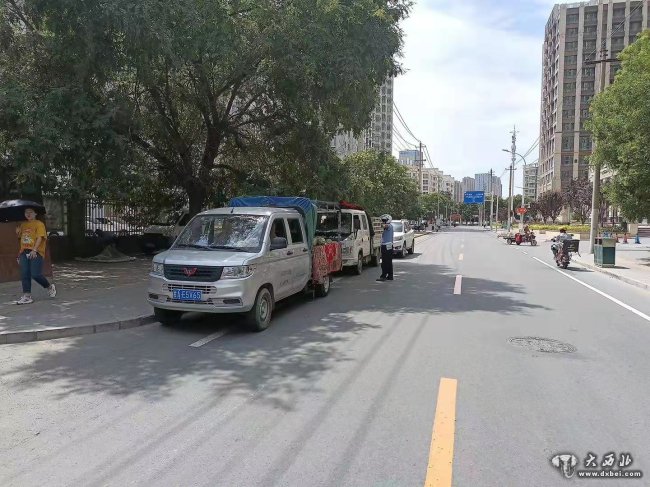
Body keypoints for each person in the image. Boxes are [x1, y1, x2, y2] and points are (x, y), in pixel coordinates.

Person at [15, 207, 56, 305]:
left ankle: (49, 287)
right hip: (24, 251)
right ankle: (27, 296)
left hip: (36, 251)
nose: (28, 214)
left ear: (35, 213)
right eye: (26, 212)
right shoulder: (23, 225)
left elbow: (40, 238)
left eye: (30, 212)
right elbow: (22, 239)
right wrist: (18, 232)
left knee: (35, 274)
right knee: (24, 274)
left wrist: (34, 250)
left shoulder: (39, 224)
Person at [377, 214, 394, 281]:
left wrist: (379, 223)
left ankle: (383, 276)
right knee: (389, 262)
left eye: (384, 220)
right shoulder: (390, 226)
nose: (383, 221)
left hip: (386, 246)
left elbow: (384, 226)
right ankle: (390, 276)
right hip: (388, 246)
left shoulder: (389, 226)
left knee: (384, 262)